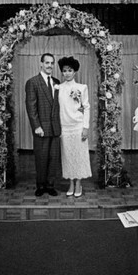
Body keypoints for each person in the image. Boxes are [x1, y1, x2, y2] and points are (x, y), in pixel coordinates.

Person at [25, 53, 61, 197]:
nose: (49, 66)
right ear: (41, 64)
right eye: (47, 63)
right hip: (41, 128)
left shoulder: (57, 81)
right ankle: (40, 186)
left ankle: (50, 185)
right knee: (41, 158)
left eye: (52, 63)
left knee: (53, 158)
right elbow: (31, 107)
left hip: (55, 128)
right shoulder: (33, 82)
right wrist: (36, 126)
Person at [57, 56, 91, 197]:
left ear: (75, 71)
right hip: (65, 127)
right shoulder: (58, 88)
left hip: (78, 126)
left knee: (79, 156)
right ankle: (71, 183)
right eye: (64, 71)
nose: (67, 73)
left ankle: (78, 183)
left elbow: (86, 107)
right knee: (68, 157)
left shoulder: (82, 88)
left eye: (70, 70)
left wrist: (85, 127)